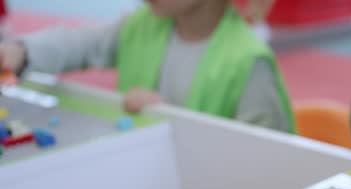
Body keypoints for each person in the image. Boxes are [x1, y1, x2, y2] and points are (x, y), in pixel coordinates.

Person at [0, 0, 294, 132]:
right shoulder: (144, 25)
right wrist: (21, 51)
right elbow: (83, 43)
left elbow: (266, 158)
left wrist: (172, 119)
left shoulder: (250, 61)